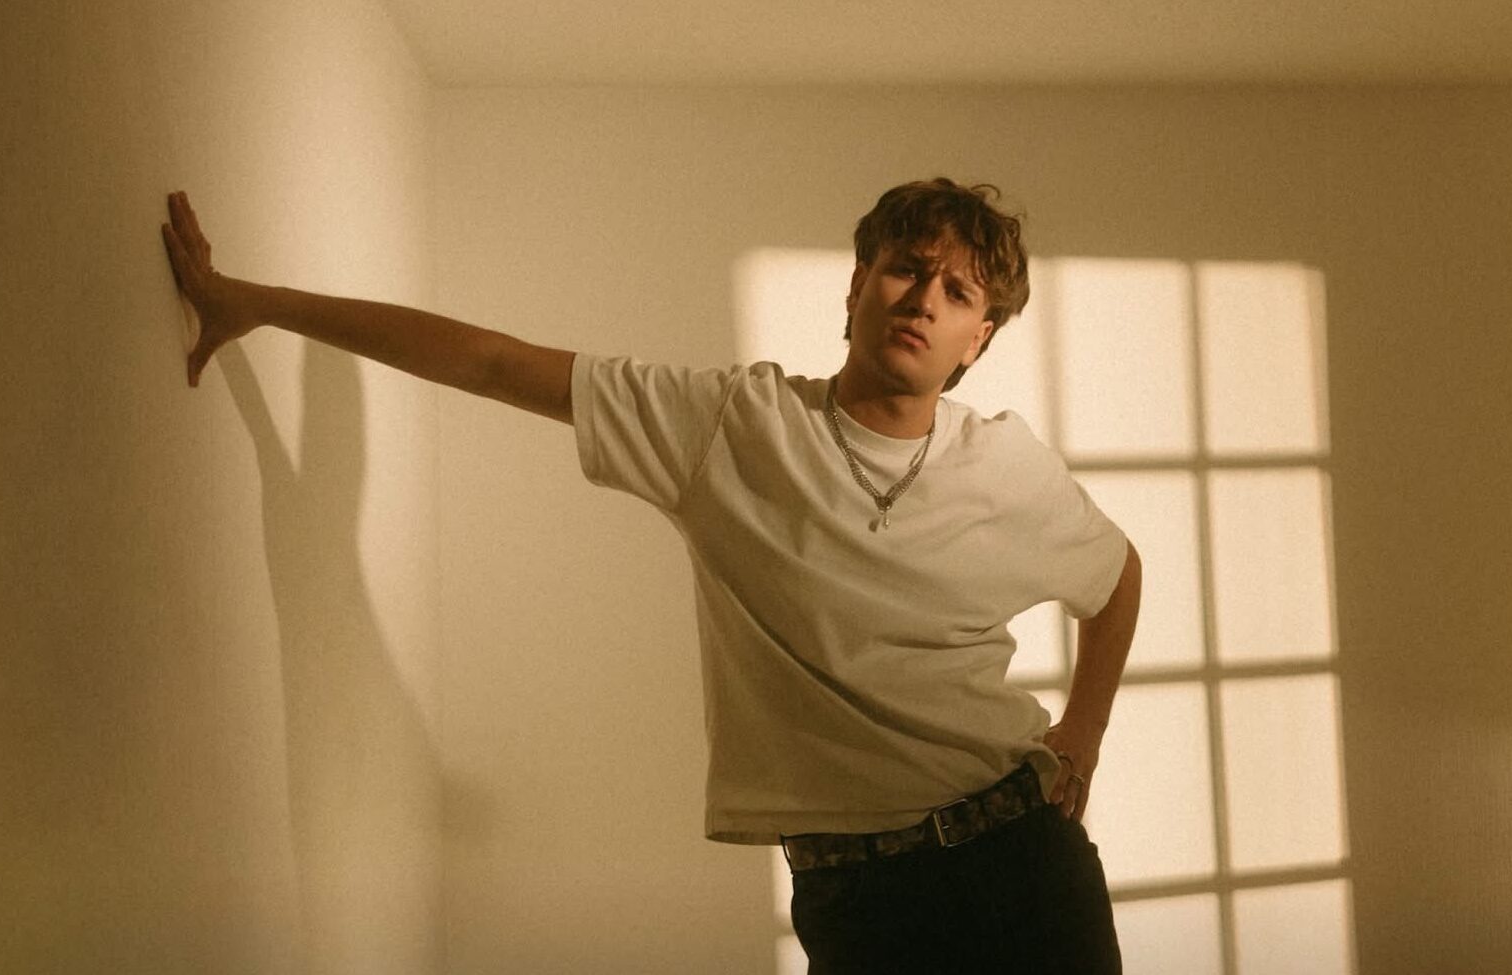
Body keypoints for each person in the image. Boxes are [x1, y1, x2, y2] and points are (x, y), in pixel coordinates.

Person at [161, 177, 1141, 974]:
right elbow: (493, 364)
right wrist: (253, 302)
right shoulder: (731, 425)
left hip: (1022, 869)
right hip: (857, 901)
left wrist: (1086, 726)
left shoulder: (1002, 464)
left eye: (959, 292)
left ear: (978, 339)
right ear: (857, 286)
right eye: (906, 268)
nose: (924, 298)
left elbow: (1117, 573)